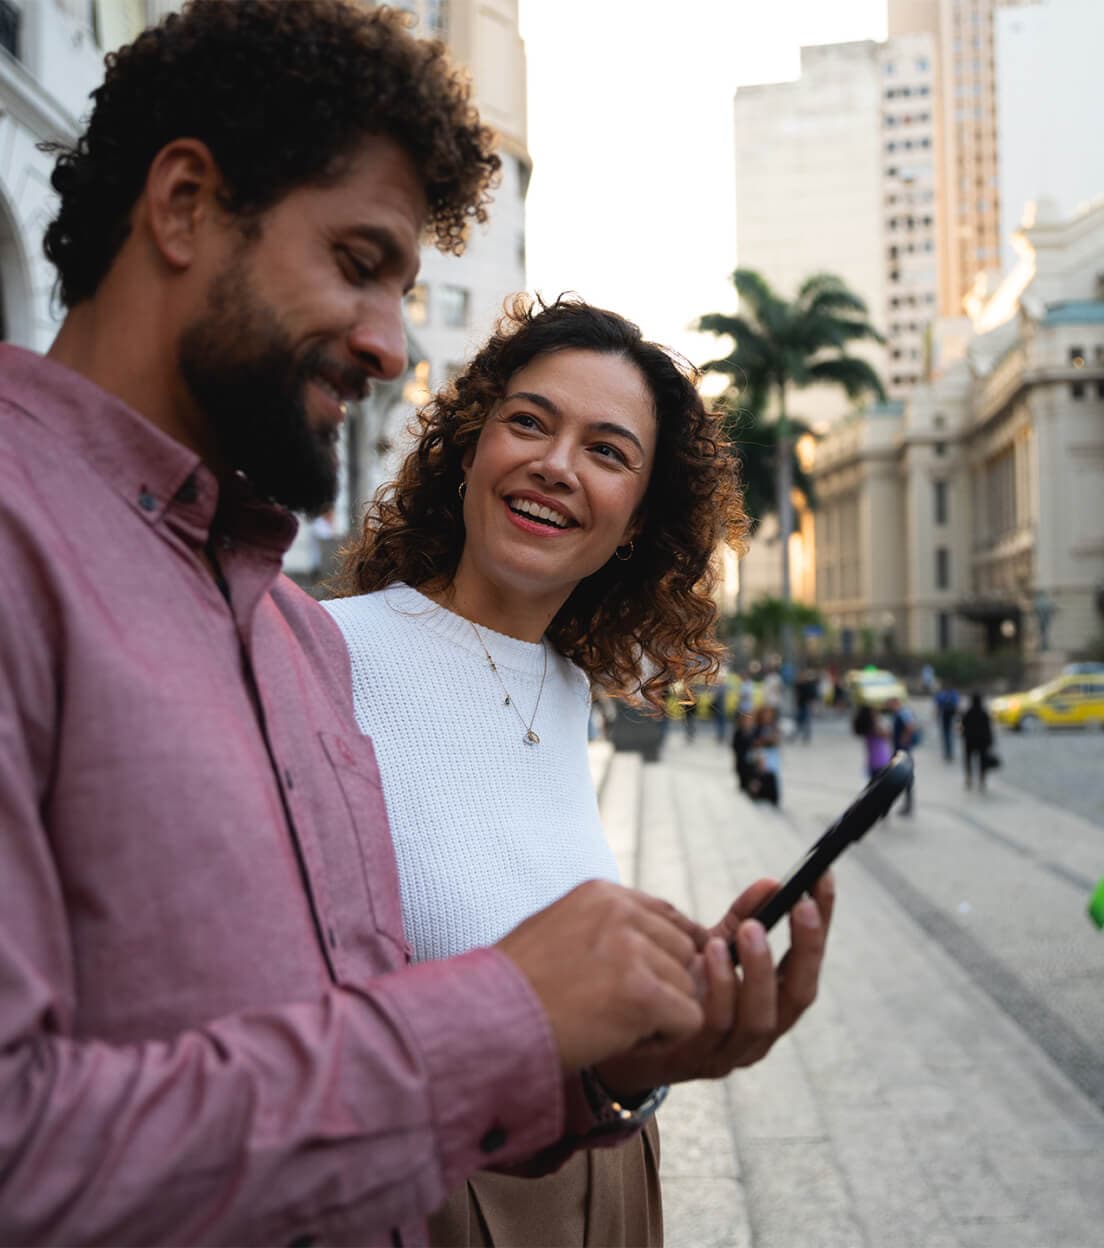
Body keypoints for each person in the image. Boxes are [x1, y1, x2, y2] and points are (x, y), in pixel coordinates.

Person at [0, 6, 831, 1243]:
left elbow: (340, 1070)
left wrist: (605, 1062)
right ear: (182, 207)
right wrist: (510, 1006)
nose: (392, 348)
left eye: (404, 286)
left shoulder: (274, 632)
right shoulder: (36, 547)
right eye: (357, 262)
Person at [324, 297, 832, 1245]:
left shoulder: (565, 688)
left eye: (607, 451)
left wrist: (665, 1018)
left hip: (610, 1167)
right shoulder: (321, 653)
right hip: (431, 1190)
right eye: (529, 422)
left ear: (637, 521)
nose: (556, 466)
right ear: (470, 446)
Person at [886, 696, 917, 814]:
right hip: (900, 749)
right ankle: (906, 804)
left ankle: (908, 805)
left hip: (902, 750)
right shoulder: (898, 714)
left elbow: (910, 727)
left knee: (904, 777)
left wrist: (904, 740)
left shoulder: (902, 713)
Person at [961, 692, 995, 791]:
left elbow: (962, 726)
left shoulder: (968, 712)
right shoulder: (984, 713)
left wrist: (964, 735)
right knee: (982, 760)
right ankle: (982, 779)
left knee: (968, 759)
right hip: (982, 741)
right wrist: (990, 741)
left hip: (969, 740)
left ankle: (969, 777)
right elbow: (988, 729)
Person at [933, 679, 960, 762]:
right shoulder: (952, 693)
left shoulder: (944, 694)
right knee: (947, 734)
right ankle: (948, 752)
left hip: (947, 714)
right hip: (948, 714)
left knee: (947, 734)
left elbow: (938, 705)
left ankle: (949, 752)